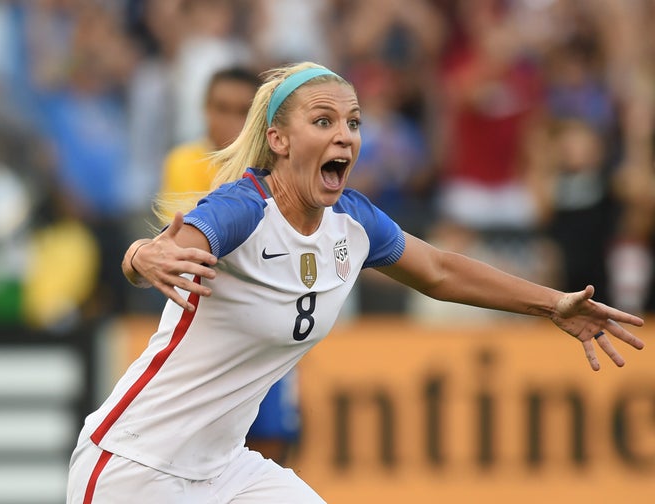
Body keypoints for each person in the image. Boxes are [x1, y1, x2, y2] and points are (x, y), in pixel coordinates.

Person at [66, 61, 645, 503]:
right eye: (324, 121)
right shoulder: (243, 207)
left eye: (353, 122)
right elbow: (168, 250)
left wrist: (554, 305)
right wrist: (142, 256)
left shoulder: (355, 223)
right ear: (278, 140)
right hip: (132, 465)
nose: (345, 135)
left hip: (223, 469)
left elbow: (441, 270)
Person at [159, 65, 301, 465]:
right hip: (206, 316)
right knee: (192, 447)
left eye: (243, 111)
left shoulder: (276, 167)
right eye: (221, 108)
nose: (231, 121)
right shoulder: (186, 161)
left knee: (272, 443)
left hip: (265, 316)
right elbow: (192, 242)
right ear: (205, 110)